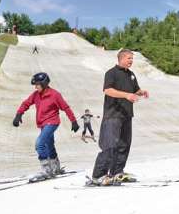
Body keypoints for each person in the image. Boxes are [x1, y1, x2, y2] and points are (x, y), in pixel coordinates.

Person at [88, 49, 149, 186]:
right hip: (113, 115)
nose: (131, 61)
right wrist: (127, 95)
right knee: (110, 145)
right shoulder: (111, 73)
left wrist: (141, 92)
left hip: (127, 115)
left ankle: (117, 172)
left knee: (124, 145)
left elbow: (134, 89)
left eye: (132, 59)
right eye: (128, 58)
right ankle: (98, 175)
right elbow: (108, 90)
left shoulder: (131, 75)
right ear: (120, 58)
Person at [13, 72, 80, 181]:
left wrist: (73, 121)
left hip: (52, 122)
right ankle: (55, 167)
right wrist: (19, 114)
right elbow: (26, 103)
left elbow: (66, 108)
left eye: (37, 85)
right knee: (49, 145)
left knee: (39, 144)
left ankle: (46, 170)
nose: (35, 87)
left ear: (44, 84)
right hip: (42, 124)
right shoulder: (36, 95)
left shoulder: (55, 95)